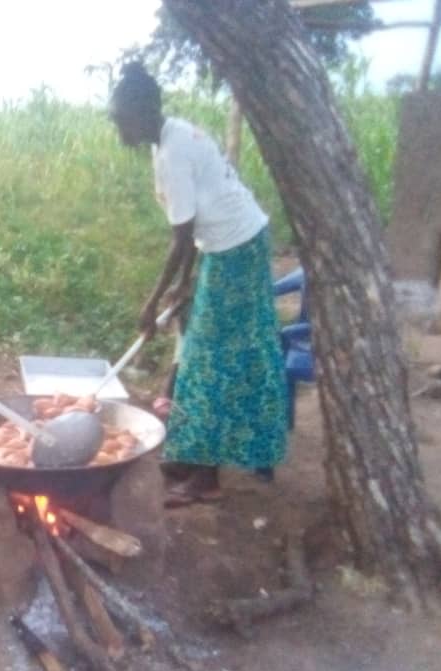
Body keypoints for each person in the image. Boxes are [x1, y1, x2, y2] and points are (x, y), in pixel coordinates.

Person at [109, 62, 288, 507]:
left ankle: (205, 478)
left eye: (121, 119)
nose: (119, 129)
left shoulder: (173, 151)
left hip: (235, 252)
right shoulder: (170, 136)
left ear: (143, 112)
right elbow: (190, 229)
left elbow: (181, 237)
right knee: (196, 350)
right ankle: (189, 457)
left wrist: (152, 302)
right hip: (228, 246)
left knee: (211, 359)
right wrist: (185, 285)